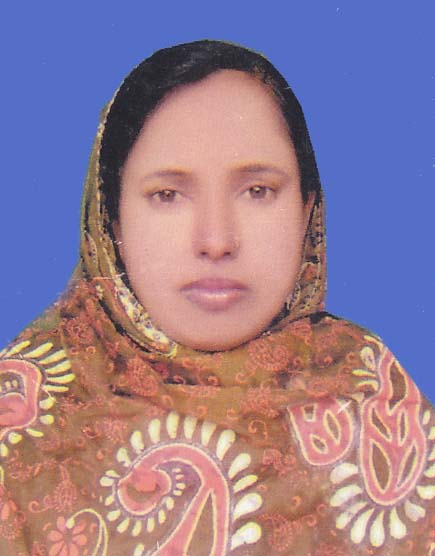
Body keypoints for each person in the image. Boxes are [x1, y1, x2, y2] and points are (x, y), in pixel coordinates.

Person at [0, 40, 434, 555]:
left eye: (257, 191)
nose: (216, 240)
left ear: (307, 209)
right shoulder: (23, 421)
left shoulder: (373, 397)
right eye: (167, 195)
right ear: (111, 218)